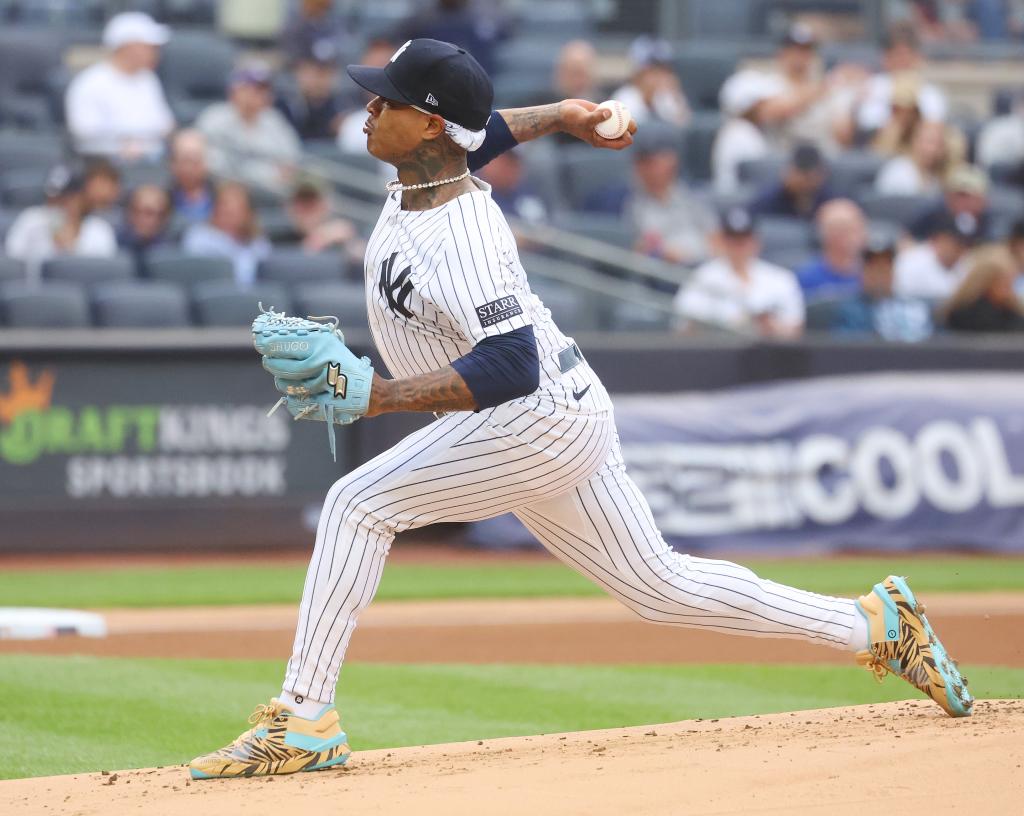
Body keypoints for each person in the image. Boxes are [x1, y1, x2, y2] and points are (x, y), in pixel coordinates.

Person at [187, 40, 970, 782]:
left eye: (383, 100)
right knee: (658, 588)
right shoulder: (432, 166)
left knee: (356, 504)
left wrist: (378, 397)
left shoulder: (463, 236)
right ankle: (875, 624)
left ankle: (306, 718)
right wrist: (562, 113)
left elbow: (507, 364)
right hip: (558, 408)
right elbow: (482, 132)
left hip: (532, 416)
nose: (366, 110)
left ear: (425, 125)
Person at [673, 206, 805, 337]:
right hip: (719, 351)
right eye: (733, 240)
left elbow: (795, 328)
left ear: (755, 241)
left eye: (744, 240)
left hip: (769, 352)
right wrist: (726, 325)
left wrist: (770, 326)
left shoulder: (780, 278)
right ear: (722, 241)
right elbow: (684, 328)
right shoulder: (703, 277)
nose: (739, 246)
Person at [65, 11, 176, 160]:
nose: (156, 52)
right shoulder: (90, 83)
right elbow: (84, 133)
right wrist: (120, 146)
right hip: (106, 166)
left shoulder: (148, 79)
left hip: (153, 162)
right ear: (128, 47)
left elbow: (165, 125)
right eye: (150, 47)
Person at [196, 62, 302, 192]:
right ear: (235, 90)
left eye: (264, 89)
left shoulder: (274, 121)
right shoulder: (214, 118)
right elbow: (206, 162)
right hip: (222, 192)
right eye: (254, 88)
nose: (260, 95)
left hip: (269, 195)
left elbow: (291, 163)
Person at [4, 164, 117, 280]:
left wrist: (68, 247)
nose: (57, 205)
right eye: (53, 199)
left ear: (80, 197)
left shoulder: (100, 230)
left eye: (65, 199)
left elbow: (103, 275)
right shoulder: (31, 220)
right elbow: (11, 264)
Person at [855, 22, 948, 141]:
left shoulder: (931, 93)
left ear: (917, 57)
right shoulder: (873, 87)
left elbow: (934, 129)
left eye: (907, 55)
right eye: (897, 55)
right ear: (886, 57)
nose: (903, 61)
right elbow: (868, 125)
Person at [832, 233, 934, 341]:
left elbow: (929, 345)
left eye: (885, 266)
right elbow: (845, 349)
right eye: (873, 266)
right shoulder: (849, 311)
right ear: (863, 271)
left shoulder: (913, 308)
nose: (879, 273)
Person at [182, 182, 271, 285]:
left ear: (249, 213)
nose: (230, 210)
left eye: (238, 206)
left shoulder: (258, 242)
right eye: (225, 205)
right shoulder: (198, 236)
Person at [894, 210, 978, 299]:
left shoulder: (970, 264)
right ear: (937, 239)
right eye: (956, 242)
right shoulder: (911, 262)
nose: (961, 248)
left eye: (965, 243)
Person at [612, 36, 689, 129]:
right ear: (638, 74)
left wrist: (676, 95)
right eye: (654, 70)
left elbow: (684, 128)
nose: (661, 76)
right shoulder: (623, 100)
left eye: (664, 70)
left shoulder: (666, 98)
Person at [277, 39, 347, 141]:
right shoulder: (284, 107)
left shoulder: (341, 108)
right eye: (315, 72)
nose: (320, 80)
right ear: (299, 72)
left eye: (326, 72)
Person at [797, 198, 867, 299]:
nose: (860, 235)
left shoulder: (873, 272)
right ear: (828, 235)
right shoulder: (806, 277)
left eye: (861, 228)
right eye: (848, 230)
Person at [943, 245, 1024, 332]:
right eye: (1005, 282)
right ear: (986, 281)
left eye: (1011, 281)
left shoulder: (1011, 310)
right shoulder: (965, 314)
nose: (1009, 289)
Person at [875, 119, 962, 196]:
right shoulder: (898, 170)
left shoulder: (936, 178)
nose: (932, 149)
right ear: (914, 141)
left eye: (938, 144)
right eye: (928, 142)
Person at [751, 142, 836, 219]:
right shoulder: (771, 198)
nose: (803, 182)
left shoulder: (829, 201)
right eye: (799, 173)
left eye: (808, 176)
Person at [912, 163, 995, 241]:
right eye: (958, 196)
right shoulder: (932, 221)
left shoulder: (991, 226)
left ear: (983, 201)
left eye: (969, 196)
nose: (963, 202)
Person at [285, 175, 362, 258]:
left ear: (326, 205)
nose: (306, 207)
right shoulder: (280, 239)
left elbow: (365, 259)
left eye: (312, 201)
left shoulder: (341, 238)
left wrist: (349, 242)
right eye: (301, 202)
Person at [475, 151, 547, 224]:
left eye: (514, 164)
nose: (507, 171)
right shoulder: (471, 188)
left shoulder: (524, 191)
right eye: (504, 163)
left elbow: (543, 225)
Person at [116, 184, 174, 265]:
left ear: (163, 217)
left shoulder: (171, 253)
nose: (140, 218)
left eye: (149, 213)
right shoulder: (115, 245)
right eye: (135, 211)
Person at [168, 129, 216, 225]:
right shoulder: (163, 199)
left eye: (194, 162)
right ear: (172, 164)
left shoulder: (220, 197)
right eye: (184, 161)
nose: (188, 168)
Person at [280, 0, 347, 67]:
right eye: (318, 8)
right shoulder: (296, 27)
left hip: (329, 67)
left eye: (323, 9)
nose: (321, 12)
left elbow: (342, 44)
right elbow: (292, 52)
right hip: (304, 66)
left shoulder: (334, 24)